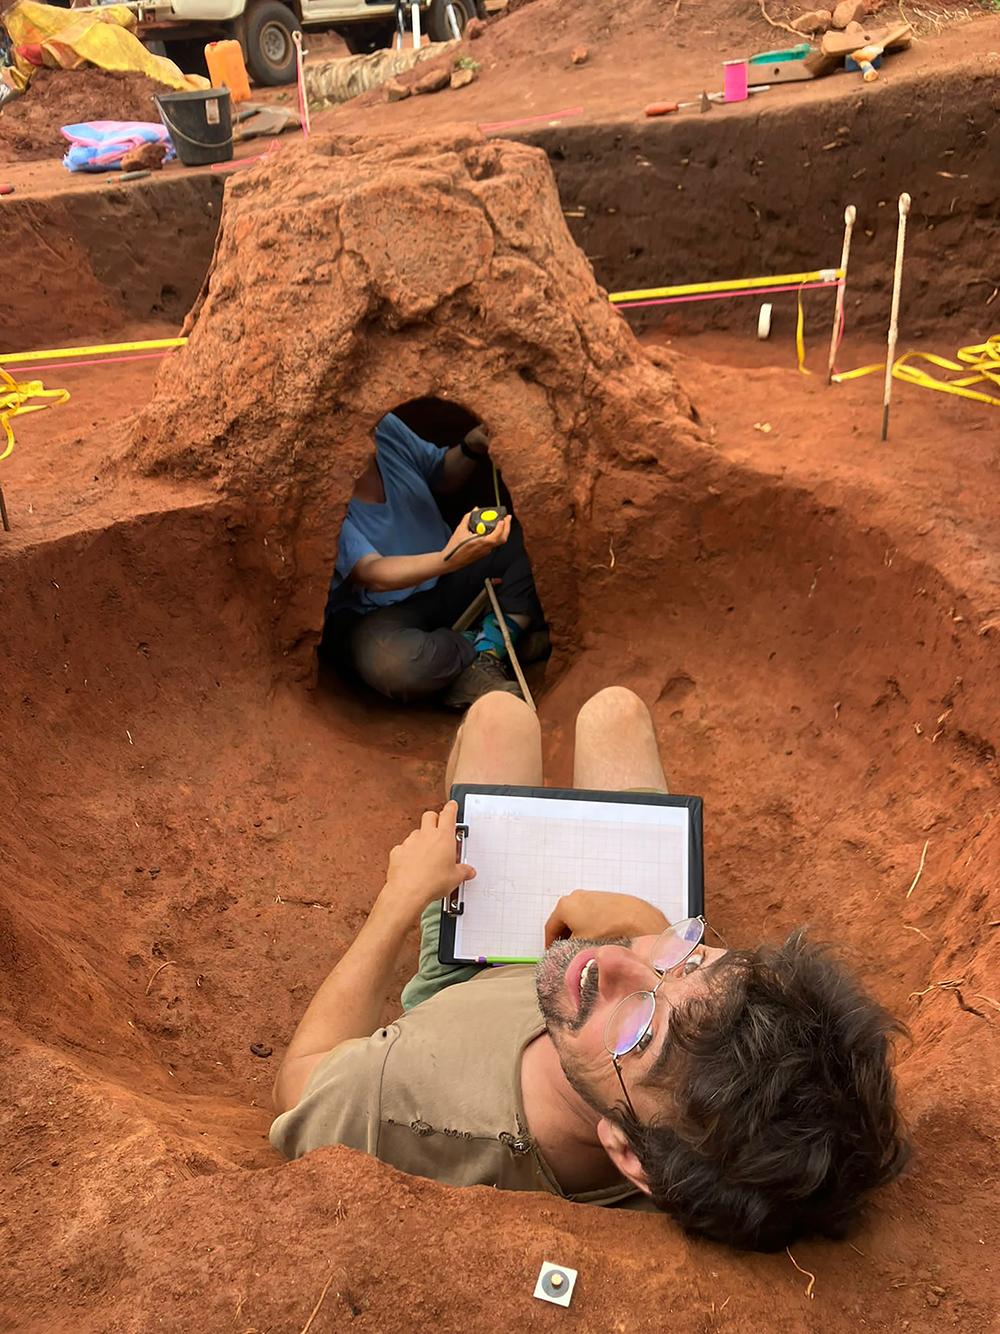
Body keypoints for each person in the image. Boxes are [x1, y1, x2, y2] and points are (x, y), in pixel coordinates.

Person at [270, 688, 910, 1249]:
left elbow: (298, 1083)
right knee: (616, 713)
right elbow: (661, 987)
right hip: (567, 999)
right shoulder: (677, 1093)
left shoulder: (413, 1103)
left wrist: (400, 899)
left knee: (498, 718)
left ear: (629, 1153)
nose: (615, 958)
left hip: (468, 982)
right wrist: (648, 924)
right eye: (697, 956)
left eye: (642, 1032)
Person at [320, 412, 546, 710]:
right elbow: (371, 572)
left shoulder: (384, 427)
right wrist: (448, 559)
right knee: (394, 664)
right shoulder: (319, 491)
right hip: (379, 612)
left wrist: (470, 446)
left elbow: (440, 474)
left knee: (530, 539)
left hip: (449, 578)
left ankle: (484, 656)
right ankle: (496, 647)